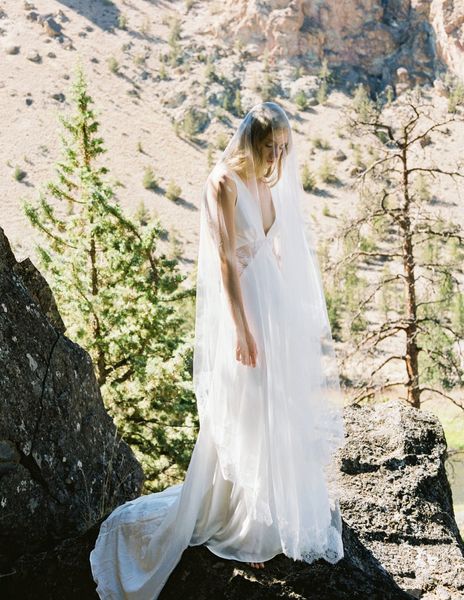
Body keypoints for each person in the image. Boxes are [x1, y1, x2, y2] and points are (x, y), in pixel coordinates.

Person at [89, 101, 346, 599]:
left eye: (283, 149)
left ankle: (275, 507)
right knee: (247, 406)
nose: (277, 158)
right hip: (243, 308)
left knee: (276, 405)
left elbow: (275, 249)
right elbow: (226, 260)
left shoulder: (266, 183)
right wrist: (241, 329)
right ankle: (244, 518)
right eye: (270, 148)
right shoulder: (222, 182)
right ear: (250, 140)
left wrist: (289, 315)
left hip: (272, 307)